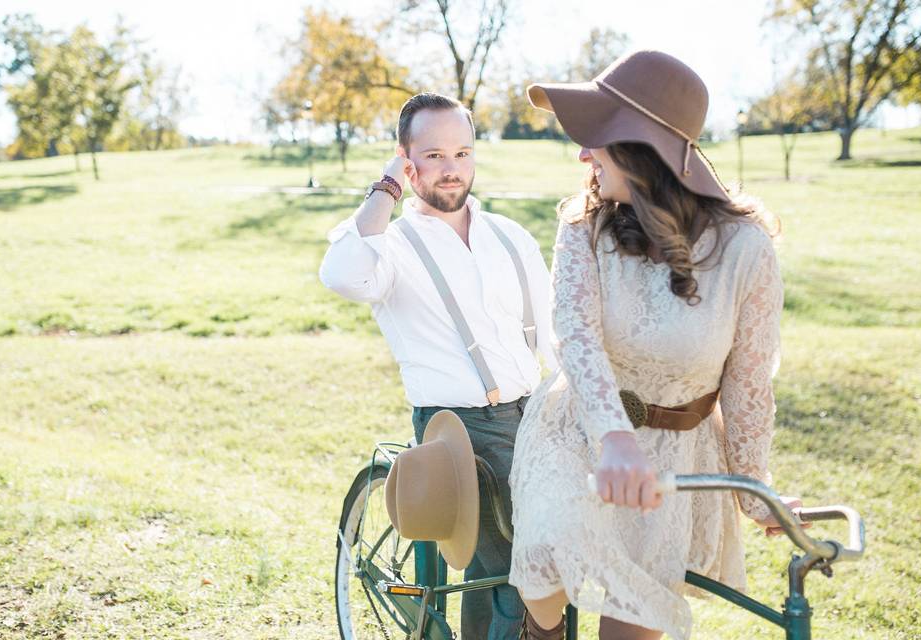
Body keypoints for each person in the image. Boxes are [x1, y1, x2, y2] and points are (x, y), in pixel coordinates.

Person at [507, 50, 801, 640]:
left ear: (641, 148)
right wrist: (614, 438)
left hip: (677, 457)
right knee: (543, 563)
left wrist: (755, 490)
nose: (583, 155)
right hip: (578, 434)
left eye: (597, 139)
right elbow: (577, 336)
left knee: (632, 625)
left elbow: (748, 382)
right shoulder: (583, 228)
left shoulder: (745, 251)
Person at [319, 92, 558, 639]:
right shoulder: (390, 243)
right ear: (405, 159)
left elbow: (554, 334)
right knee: (514, 575)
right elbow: (342, 275)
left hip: (535, 419)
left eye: (463, 153)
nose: (452, 171)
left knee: (552, 560)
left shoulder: (509, 235)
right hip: (457, 425)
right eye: (433, 156)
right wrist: (386, 188)